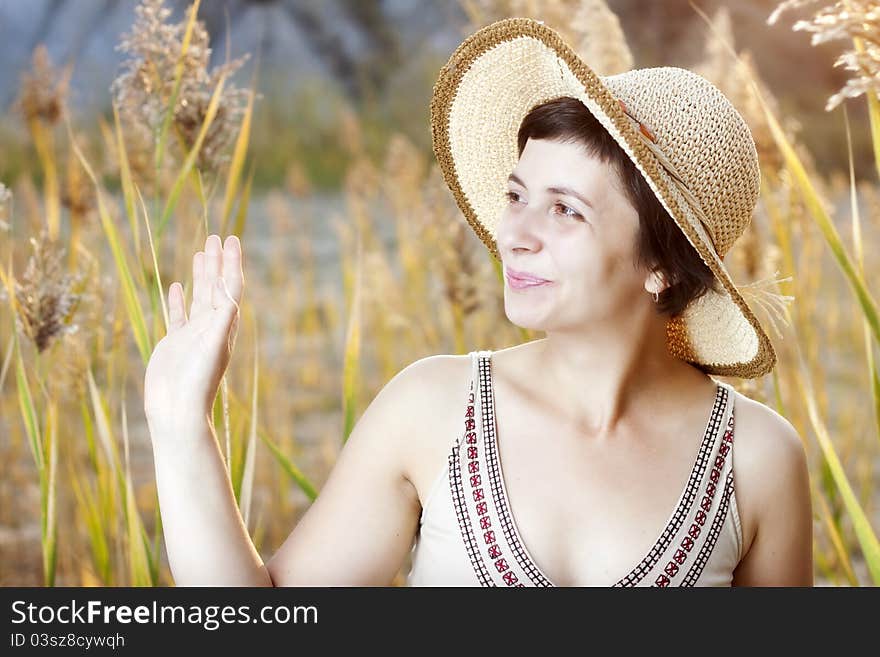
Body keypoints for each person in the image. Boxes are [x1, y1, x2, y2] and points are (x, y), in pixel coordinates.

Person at [143, 18, 813, 586]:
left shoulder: (757, 459)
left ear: (661, 265)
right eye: (518, 196)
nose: (514, 236)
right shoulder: (431, 408)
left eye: (565, 211)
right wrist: (180, 427)